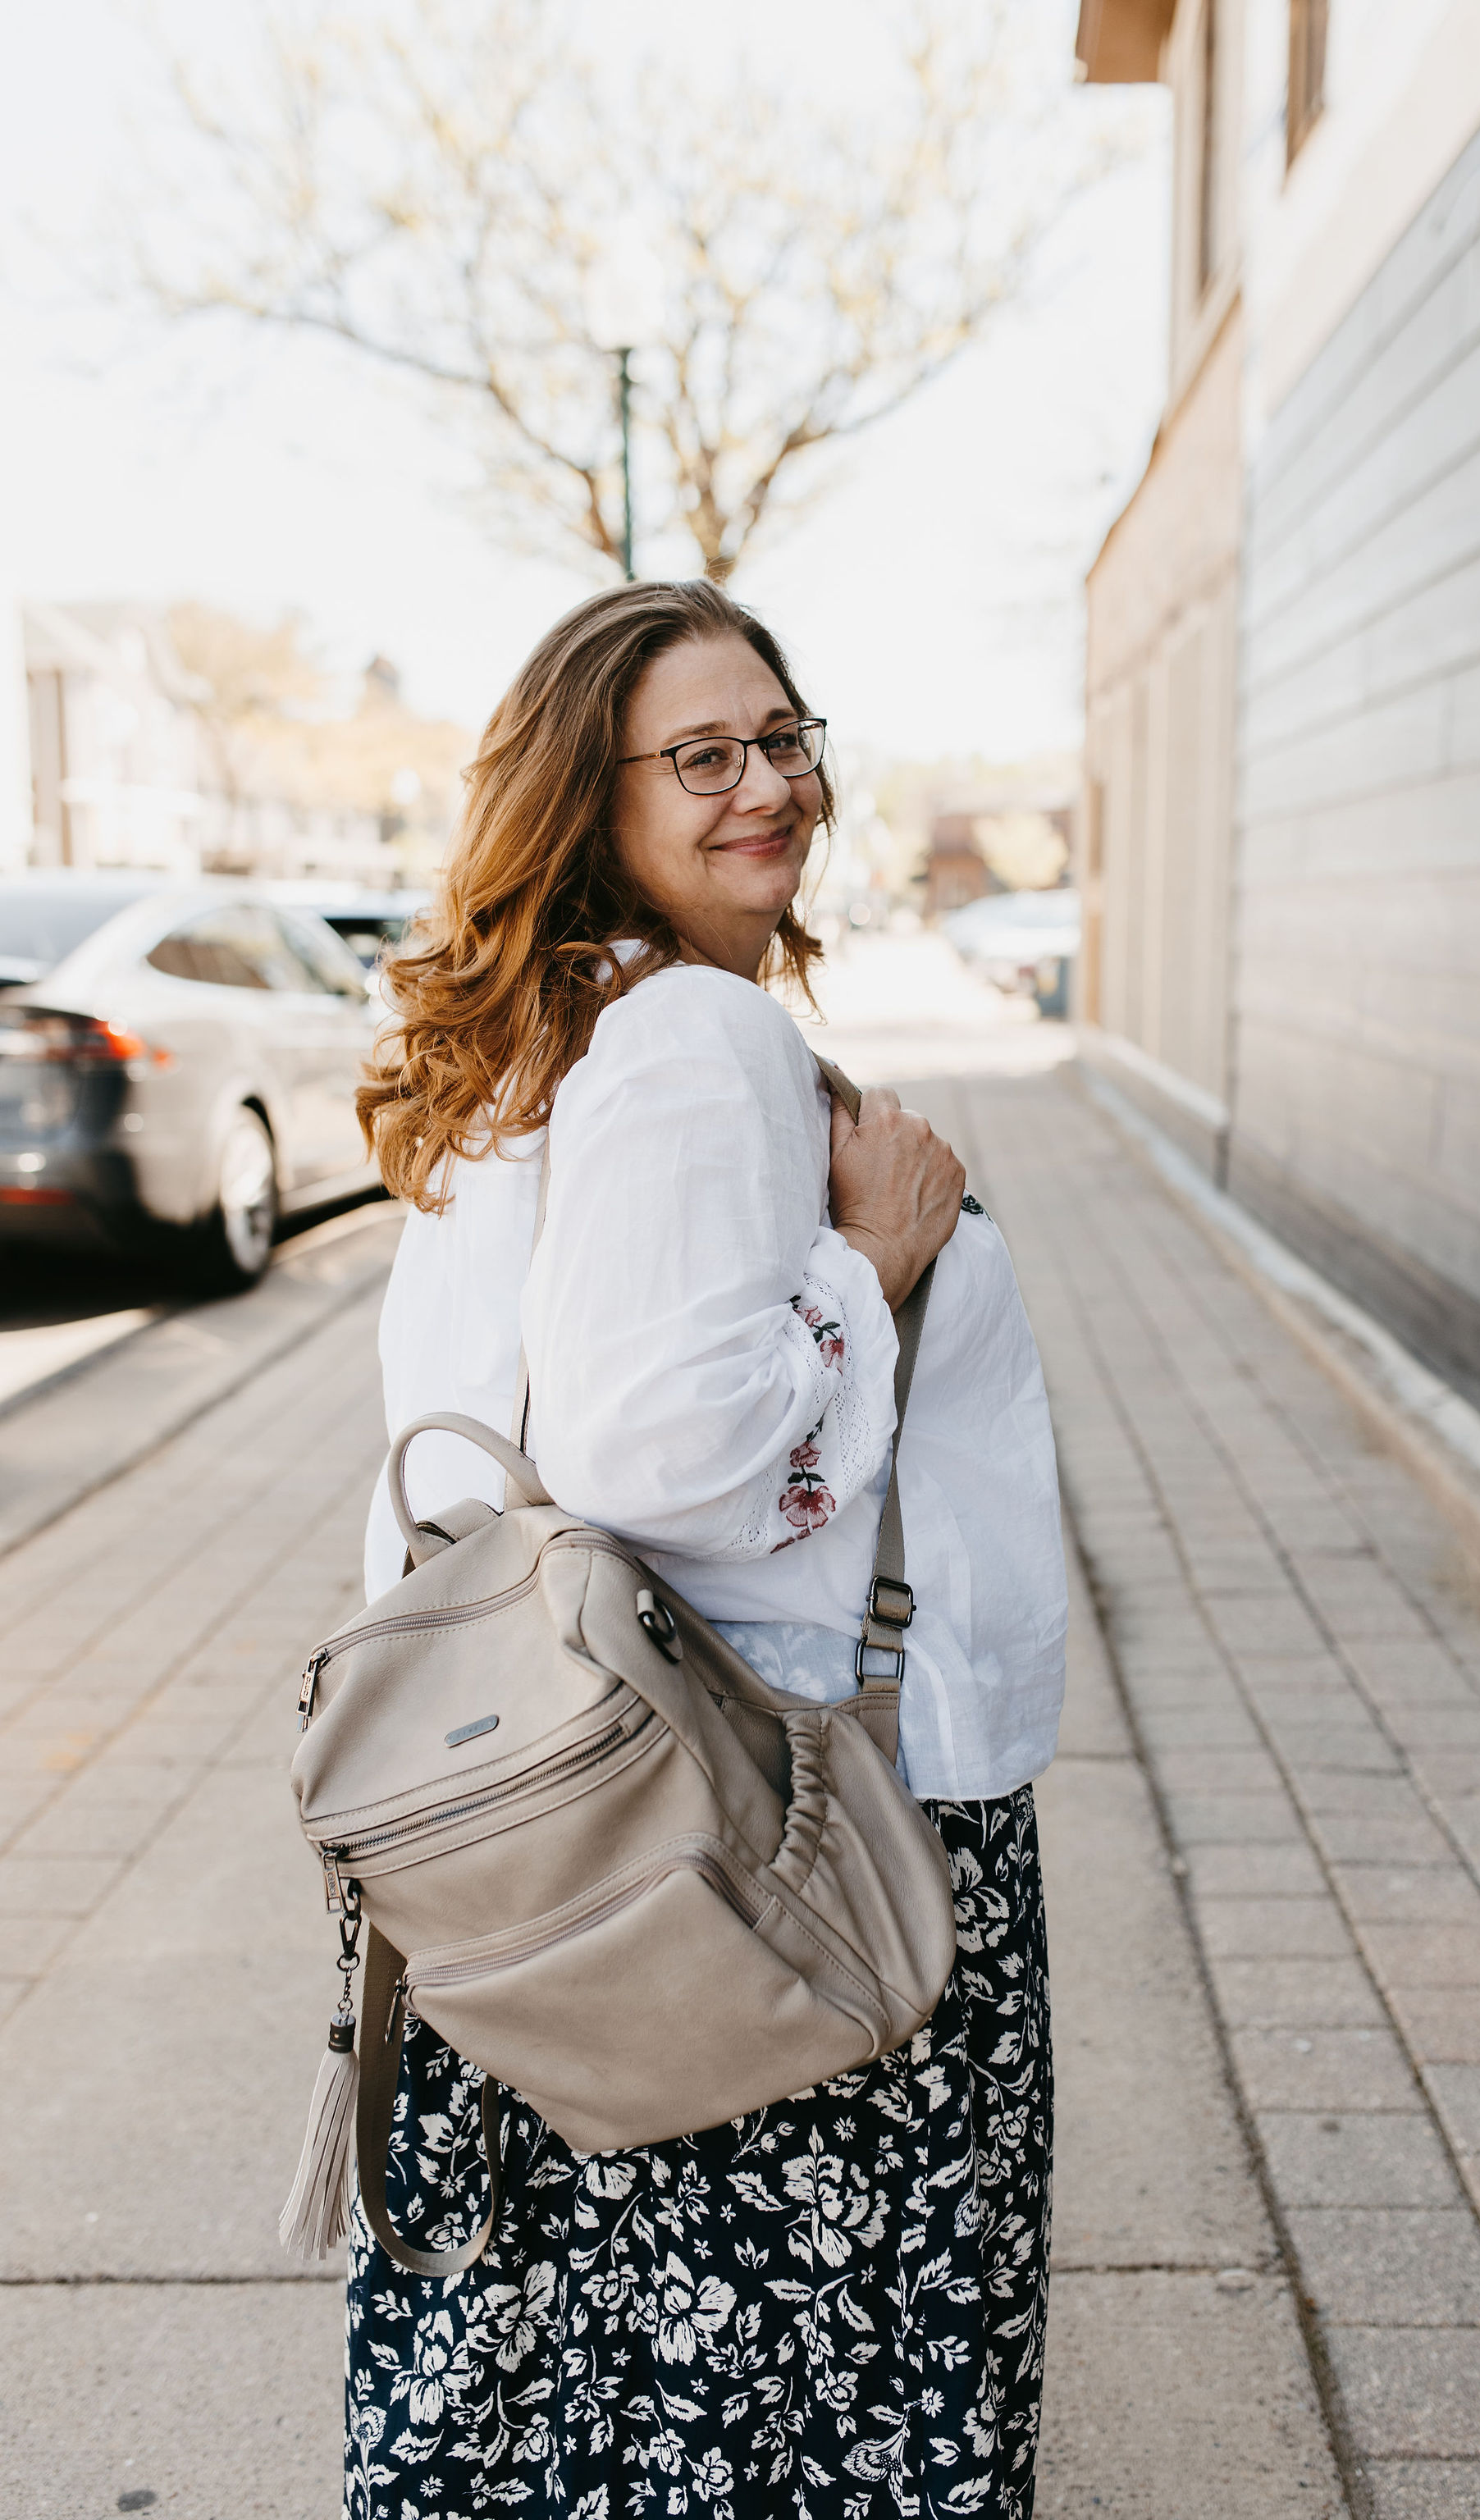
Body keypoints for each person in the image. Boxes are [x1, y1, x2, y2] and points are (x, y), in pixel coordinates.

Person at [351, 578, 1067, 2520]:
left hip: (573, 1820)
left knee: (605, 2395)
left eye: (784, 736)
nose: (769, 784)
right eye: (702, 755)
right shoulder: (689, 1043)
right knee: (817, 2399)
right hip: (792, 1818)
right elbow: (655, 1450)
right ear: (600, 801)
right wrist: (877, 1259)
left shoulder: (554, 1041)